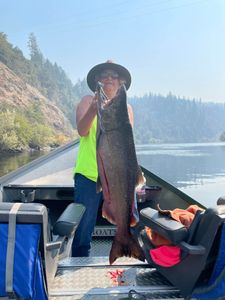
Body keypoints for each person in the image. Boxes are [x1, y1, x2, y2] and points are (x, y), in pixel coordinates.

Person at [72, 60, 134, 257]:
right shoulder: (86, 101)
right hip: (88, 174)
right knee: (83, 228)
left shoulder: (127, 108)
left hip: (119, 176)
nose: (108, 78)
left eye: (113, 75)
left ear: (121, 81)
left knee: (128, 218)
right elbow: (82, 131)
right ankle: (79, 261)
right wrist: (93, 108)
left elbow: (127, 143)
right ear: (97, 80)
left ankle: (126, 254)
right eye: (104, 75)